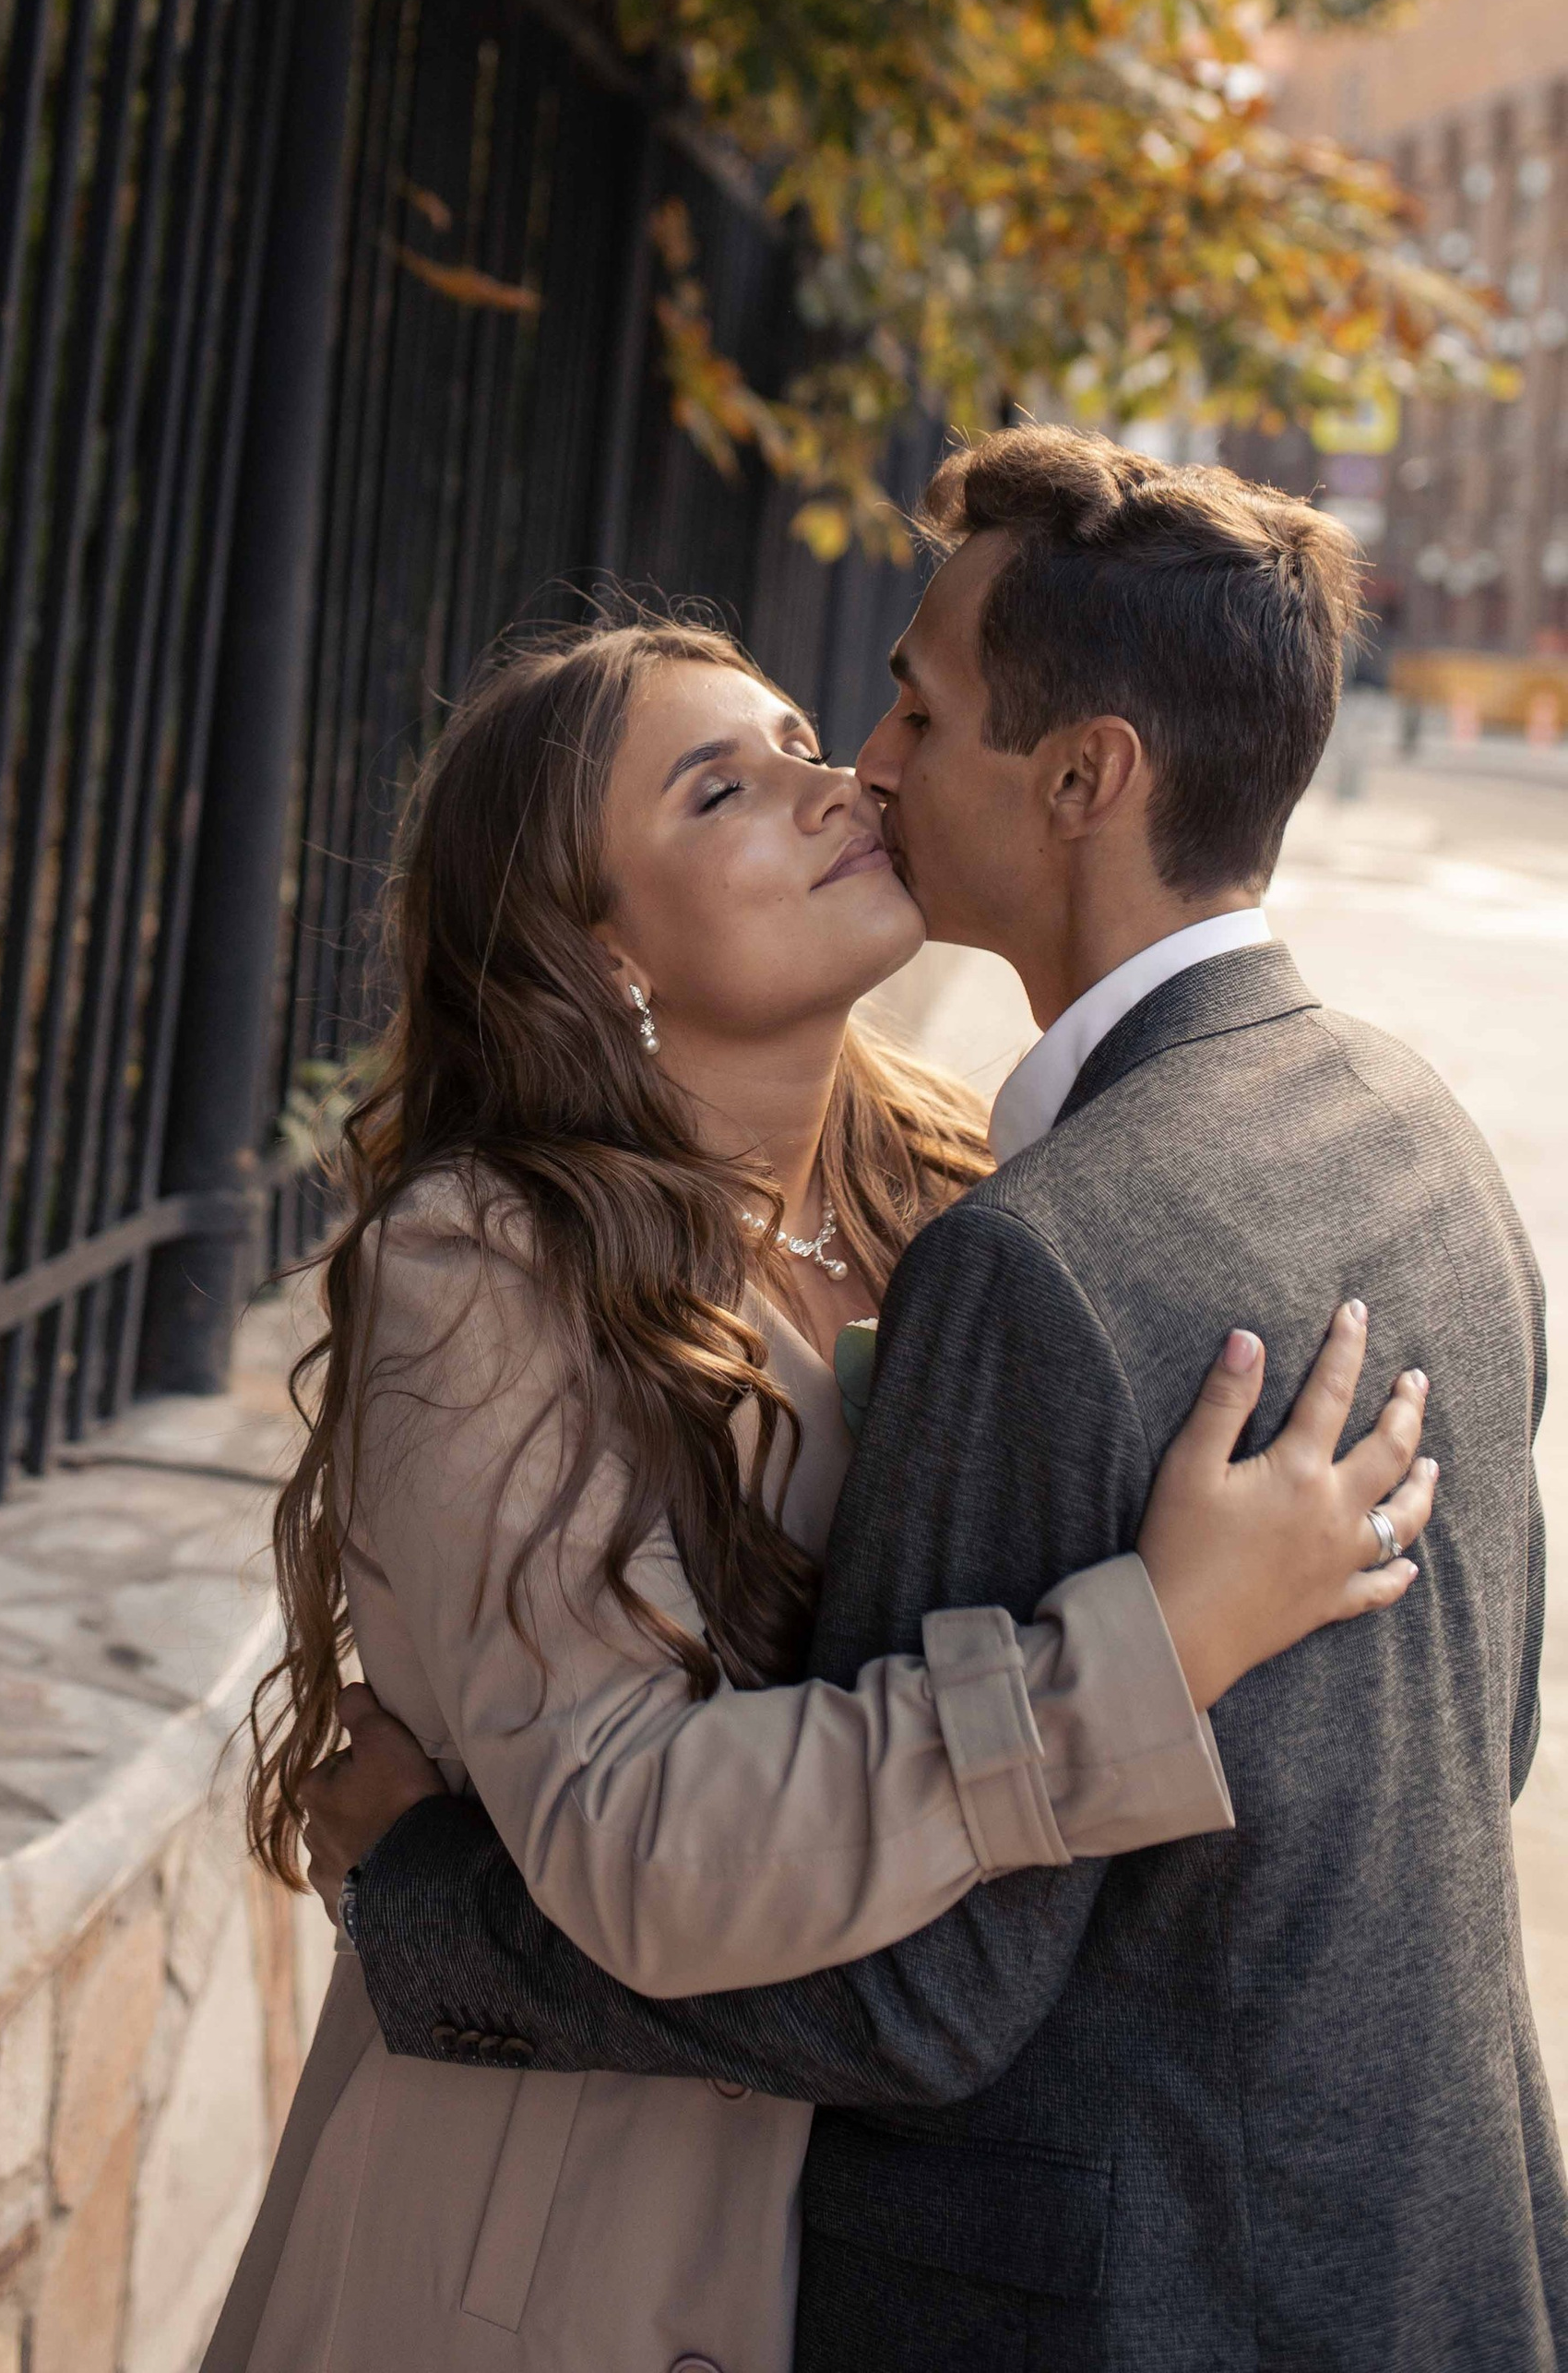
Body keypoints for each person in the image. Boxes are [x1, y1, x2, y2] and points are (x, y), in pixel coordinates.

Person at [302, 432, 1567, 2372]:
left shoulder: (960, 1202)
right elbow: (638, 1825)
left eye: (866, 718)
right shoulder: (486, 1271)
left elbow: (970, 1972)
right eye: (727, 785)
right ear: (589, 946)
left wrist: (433, 1907)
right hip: (582, 2238)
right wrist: (1142, 1652)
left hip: (862, 2201)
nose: (852, 777)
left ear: (1079, 778)